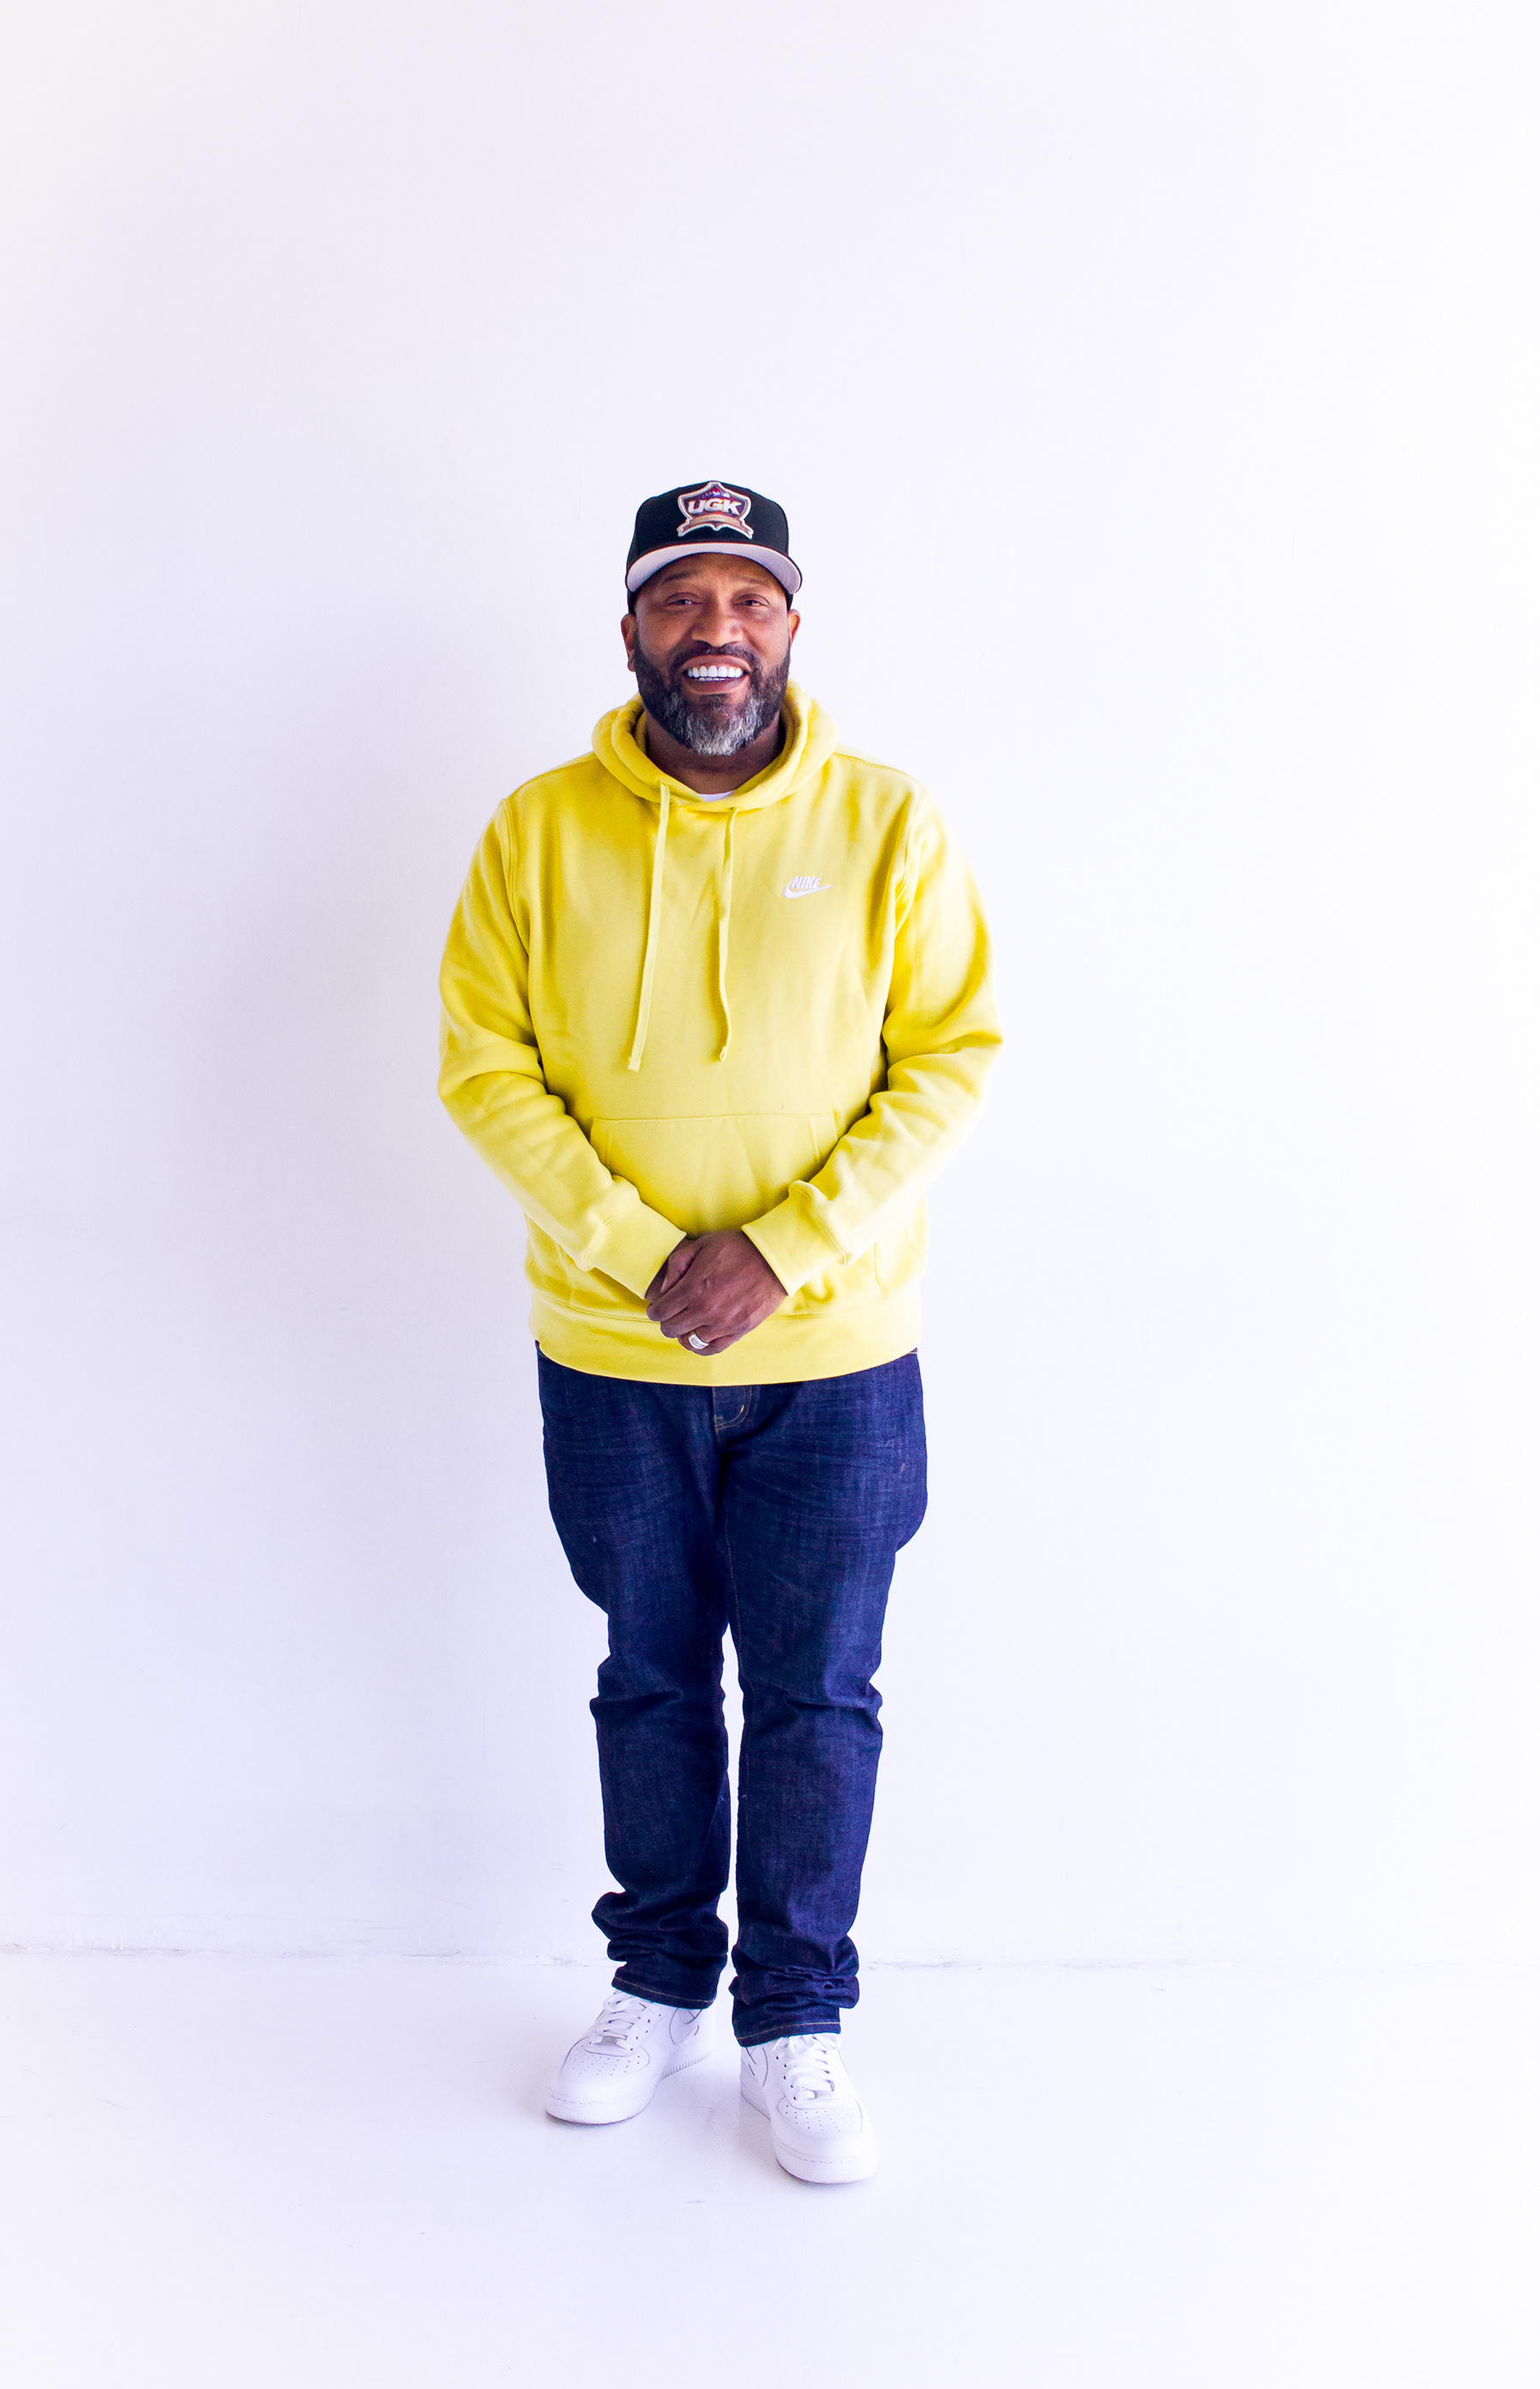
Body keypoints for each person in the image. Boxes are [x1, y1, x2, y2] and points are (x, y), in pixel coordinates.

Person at [439, 479, 1000, 2183]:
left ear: (792, 627)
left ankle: (796, 2019)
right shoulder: (537, 832)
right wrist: (637, 1256)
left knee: (819, 1692)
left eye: (749, 600)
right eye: (683, 598)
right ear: (630, 627)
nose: (717, 631)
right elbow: (485, 1066)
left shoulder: (887, 823)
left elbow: (950, 1060)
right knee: (653, 1676)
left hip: (838, 1359)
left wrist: (781, 1251)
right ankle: (660, 1984)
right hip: (614, 1359)